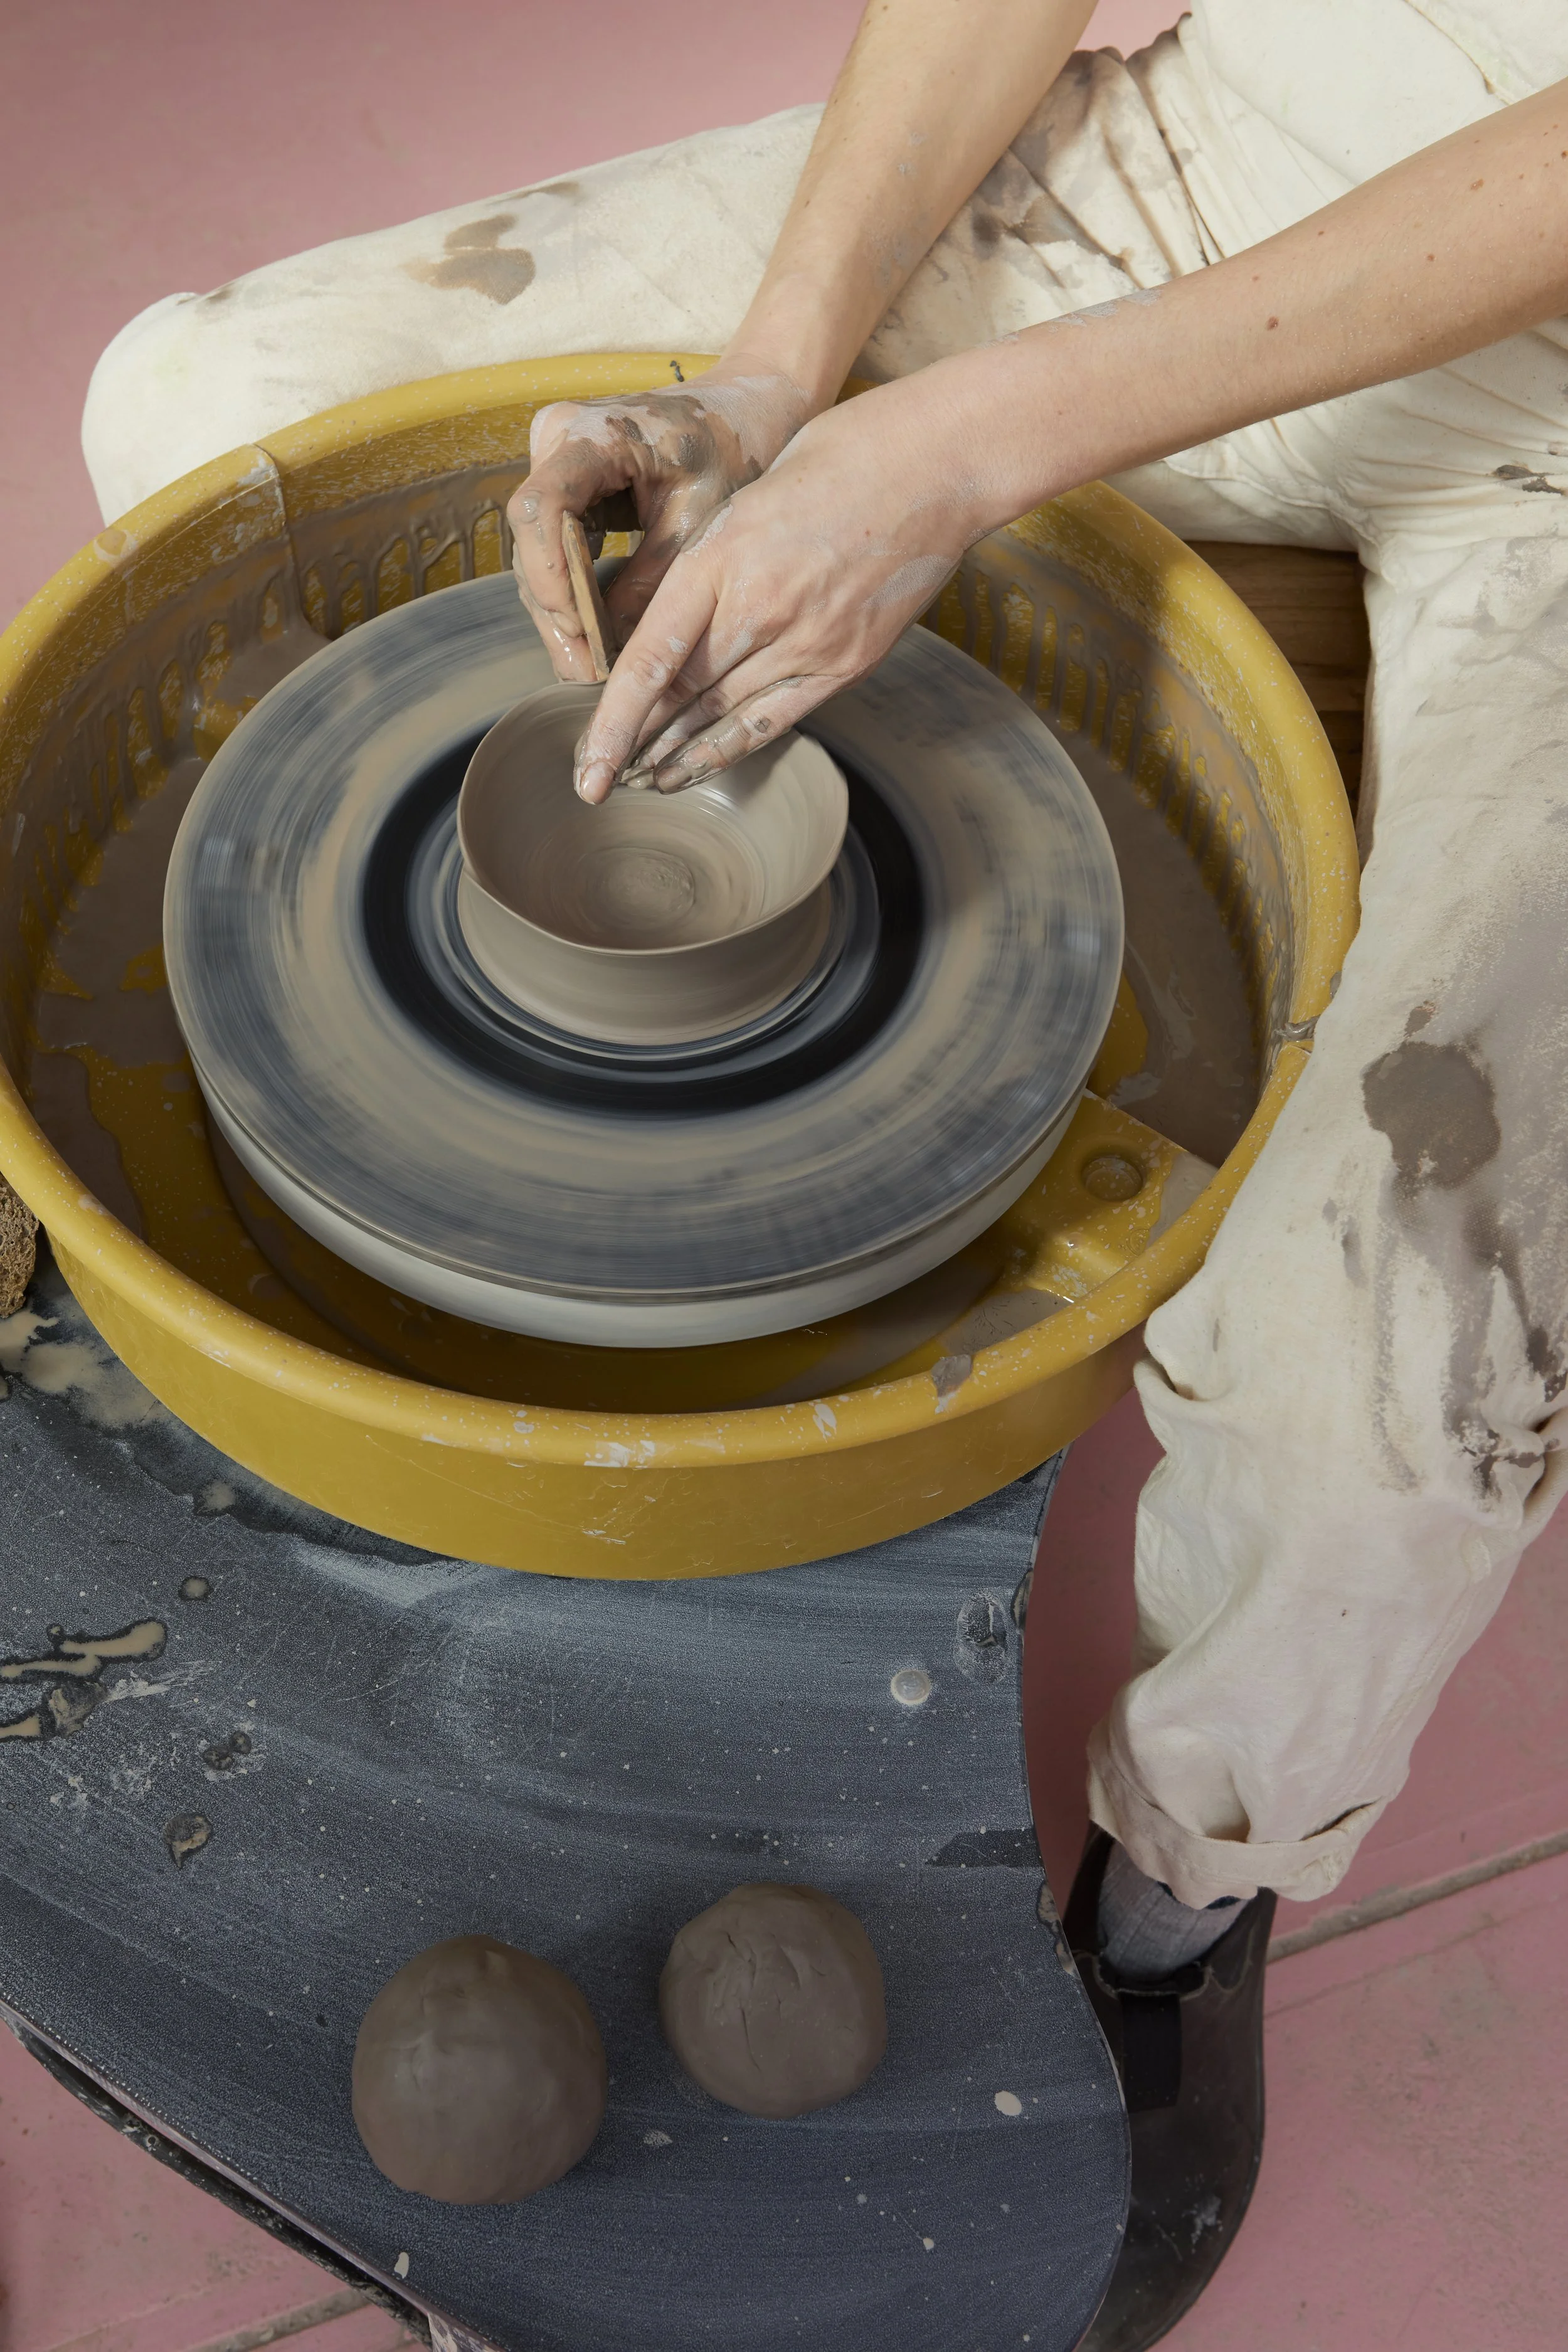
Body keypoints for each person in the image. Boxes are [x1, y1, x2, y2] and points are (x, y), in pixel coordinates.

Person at [83, 5, 1568, 2341]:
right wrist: (779, 381)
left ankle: (1180, 1904)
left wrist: (955, 443)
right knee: (198, 402)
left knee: (1386, 1432)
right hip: (1231, 123)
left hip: (1552, 415)